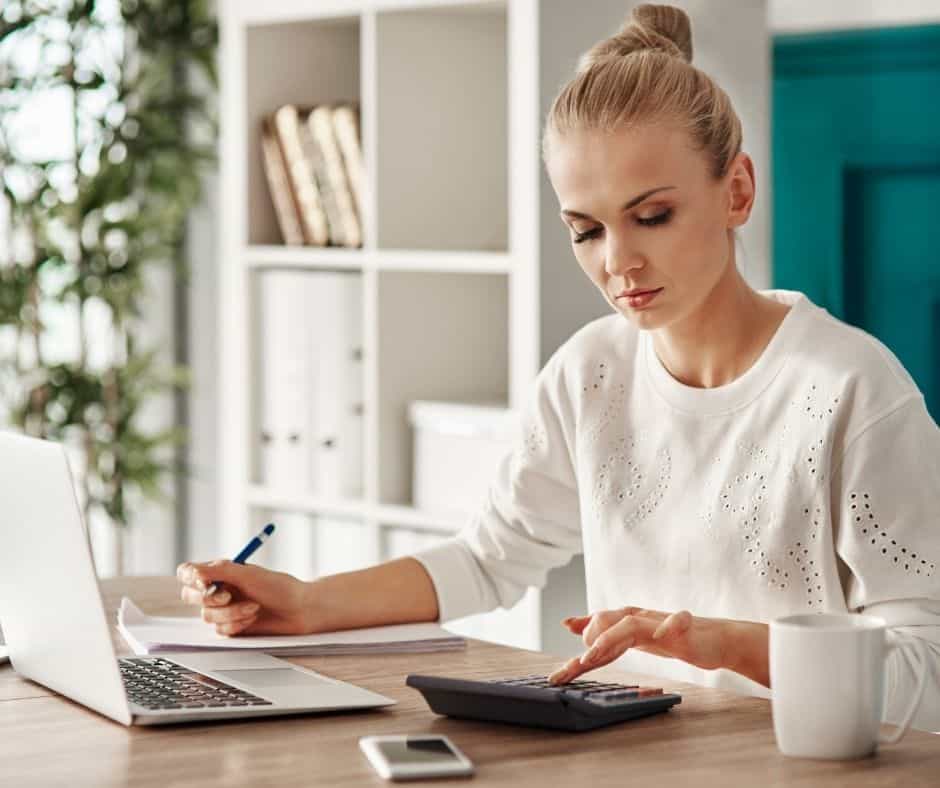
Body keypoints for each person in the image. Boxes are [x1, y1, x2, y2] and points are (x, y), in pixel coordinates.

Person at [178, 4, 940, 730]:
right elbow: (487, 559)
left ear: (735, 190)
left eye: (652, 216)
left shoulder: (849, 392)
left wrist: (718, 643)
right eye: (585, 231)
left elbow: (927, 676)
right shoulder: (590, 375)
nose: (619, 263)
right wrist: (305, 603)